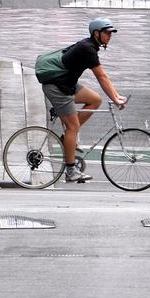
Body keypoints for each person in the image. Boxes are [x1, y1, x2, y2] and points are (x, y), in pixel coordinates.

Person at [40, 17, 127, 184]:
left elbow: (104, 78)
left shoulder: (89, 45)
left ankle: (68, 138)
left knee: (95, 100)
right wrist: (115, 99)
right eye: (107, 33)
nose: (110, 36)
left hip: (67, 84)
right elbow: (101, 76)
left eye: (111, 33)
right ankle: (71, 171)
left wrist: (116, 95)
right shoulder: (88, 49)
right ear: (96, 33)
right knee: (74, 126)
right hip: (57, 87)